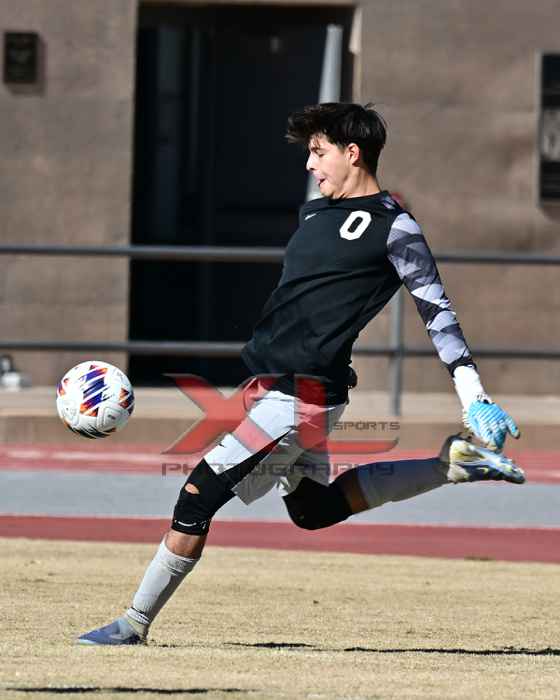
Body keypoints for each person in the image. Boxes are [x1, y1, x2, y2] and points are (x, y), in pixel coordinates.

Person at [78, 103, 523, 646]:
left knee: (196, 496)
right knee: (313, 510)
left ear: (352, 153)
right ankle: (450, 463)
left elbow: (438, 312)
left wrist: (473, 394)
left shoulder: (396, 226)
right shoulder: (314, 214)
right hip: (283, 390)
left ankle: (133, 624)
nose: (310, 164)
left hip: (302, 398)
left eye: (318, 152)